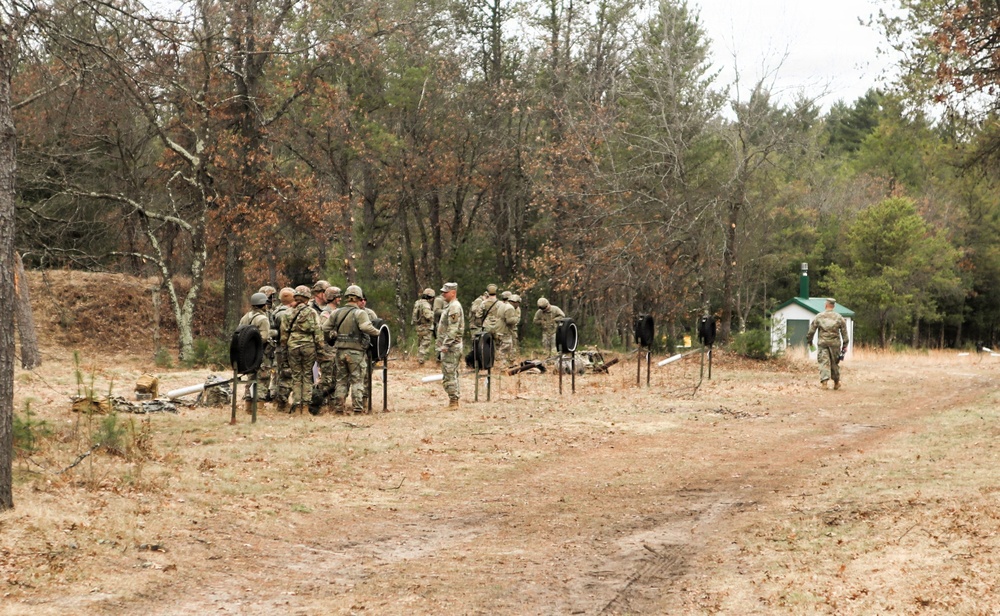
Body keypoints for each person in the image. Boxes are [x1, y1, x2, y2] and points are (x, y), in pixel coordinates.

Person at [326, 285, 381, 414]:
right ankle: (357, 409)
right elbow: (366, 328)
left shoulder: (336, 312)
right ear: (359, 298)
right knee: (357, 380)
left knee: (341, 381)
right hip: (356, 353)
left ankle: (339, 409)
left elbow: (324, 327)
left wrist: (333, 338)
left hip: (340, 351)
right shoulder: (360, 313)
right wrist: (379, 333)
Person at [283, 285, 322, 413]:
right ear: (307, 298)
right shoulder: (312, 312)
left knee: (296, 376)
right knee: (307, 375)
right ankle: (305, 407)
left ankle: (296, 403)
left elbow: (284, 334)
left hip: (293, 346)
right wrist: (320, 349)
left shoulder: (288, 312)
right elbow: (318, 332)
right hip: (308, 346)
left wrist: (285, 349)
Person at [238, 292, 271, 413]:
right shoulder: (263, 319)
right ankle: (259, 408)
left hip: (248, 353)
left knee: (251, 377)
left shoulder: (245, 317)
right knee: (263, 378)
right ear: (263, 305)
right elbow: (264, 337)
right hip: (261, 353)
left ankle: (248, 406)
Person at [807, 298, 849, 390]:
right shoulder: (839, 317)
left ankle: (824, 383)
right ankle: (836, 382)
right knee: (835, 363)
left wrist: (810, 341)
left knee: (823, 362)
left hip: (823, 343)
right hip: (835, 344)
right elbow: (844, 333)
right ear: (833, 306)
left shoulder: (819, 316)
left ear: (826, 305)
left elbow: (811, 331)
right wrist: (845, 345)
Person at [436, 282, 464, 408]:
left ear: (453, 292)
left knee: (449, 373)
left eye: (446, 292)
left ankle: (454, 401)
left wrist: (446, 345)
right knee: (451, 372)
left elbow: (453, 329)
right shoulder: (450, 306)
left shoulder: (454, 307)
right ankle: (454, 398)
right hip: (450, 346)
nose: (443, 294)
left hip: (451, 347)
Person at [315, 286, 342, 413]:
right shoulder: (326, 313)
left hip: (335, 350)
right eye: (338, 297)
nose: (340, 299)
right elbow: (324, 332)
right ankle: (322, 403)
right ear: (333, 298)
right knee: (326, 379)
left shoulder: (337, 311)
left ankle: (332, 404)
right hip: (327, 351)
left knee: (335, 379)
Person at [270, 286, 296, 410]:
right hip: (286, 347)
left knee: (279, 375)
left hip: (278, 347)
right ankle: (282, 403)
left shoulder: (276, 311)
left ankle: (277, 399)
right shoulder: (286, 313)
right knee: (286, 376)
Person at [411, 288, 436, 365]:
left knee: (420, 343)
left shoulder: (417, 302)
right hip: (425, 327)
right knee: (425, 344)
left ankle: (419, 359)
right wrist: (434, 314)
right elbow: (428, 316)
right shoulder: (426, 305)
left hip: (419, 327)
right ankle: (421, 361)